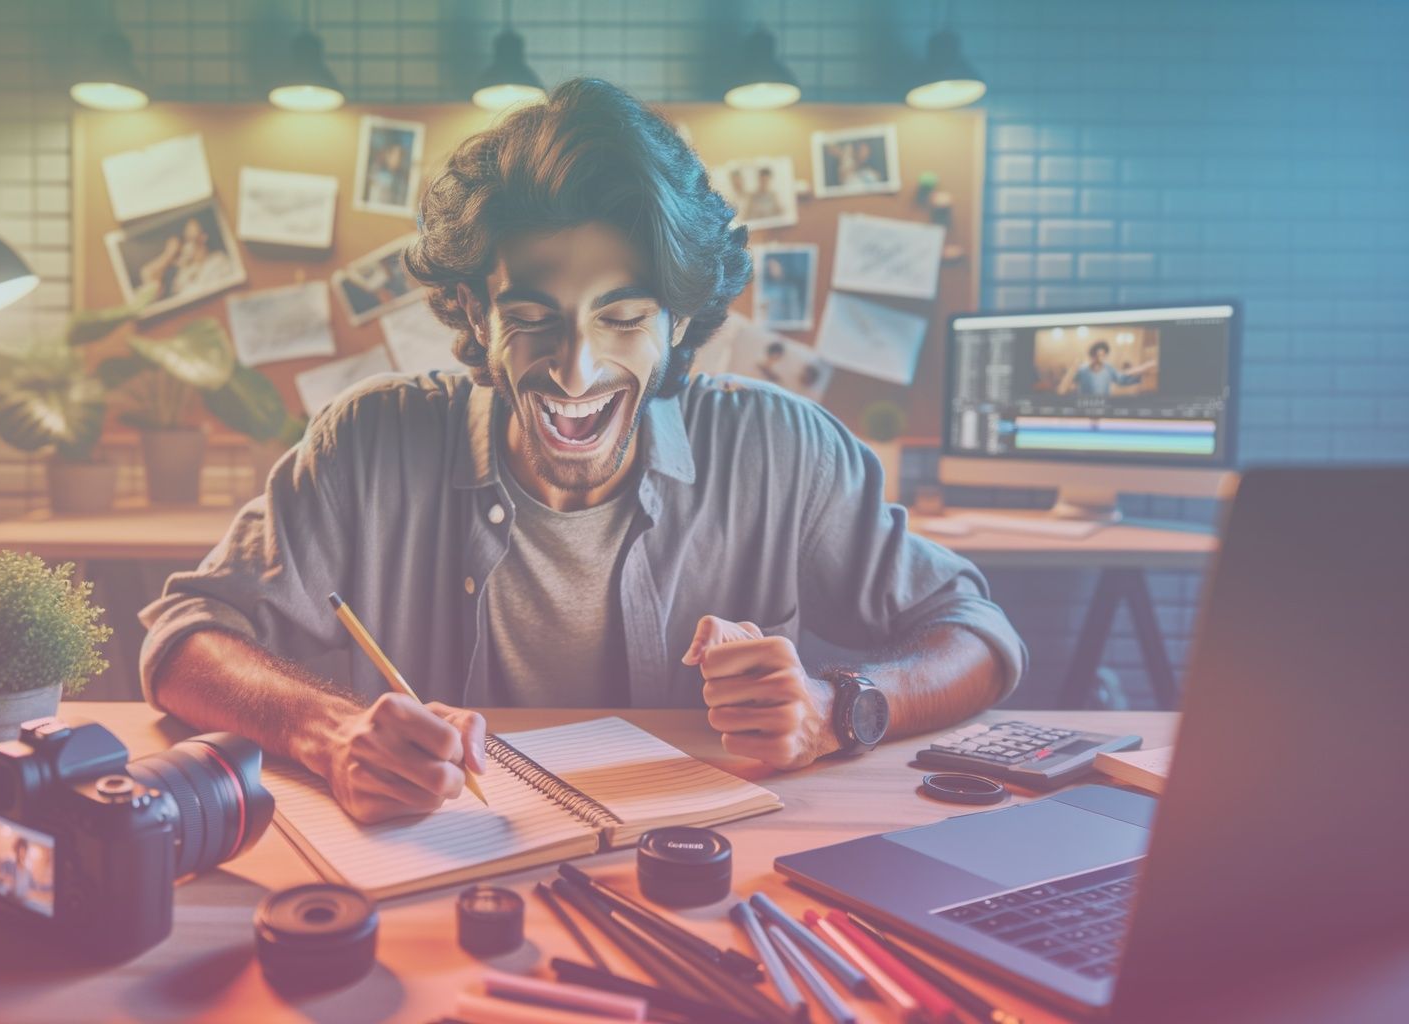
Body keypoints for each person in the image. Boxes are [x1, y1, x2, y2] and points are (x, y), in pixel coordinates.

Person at [139, 79, 1025, 824]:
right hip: (454, 877)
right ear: (473, 317)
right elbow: (185, 642)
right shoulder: (366, 444)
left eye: (624, 317)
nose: (574, 370)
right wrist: (325, 729)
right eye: (530, 318)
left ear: (680, 322)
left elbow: (977, 636)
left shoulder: (781, 446)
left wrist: (841, 709)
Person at [1059, 340, 1156, 397]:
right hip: (1084, 407)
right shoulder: (1082, 370)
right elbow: (1063, 389)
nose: (1100, 358)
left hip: (1104, 407)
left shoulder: (1108, 369)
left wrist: (1144, 372)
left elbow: (1121, 379)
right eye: (1097, 355)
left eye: (1103, 355)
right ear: (1092, 356)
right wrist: (1073, 368)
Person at [364, 135, 411, 208]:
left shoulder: (402, 179)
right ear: (388, 155)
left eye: (400, 156)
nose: (398, 159)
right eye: (396, 155)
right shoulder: (377, 175)